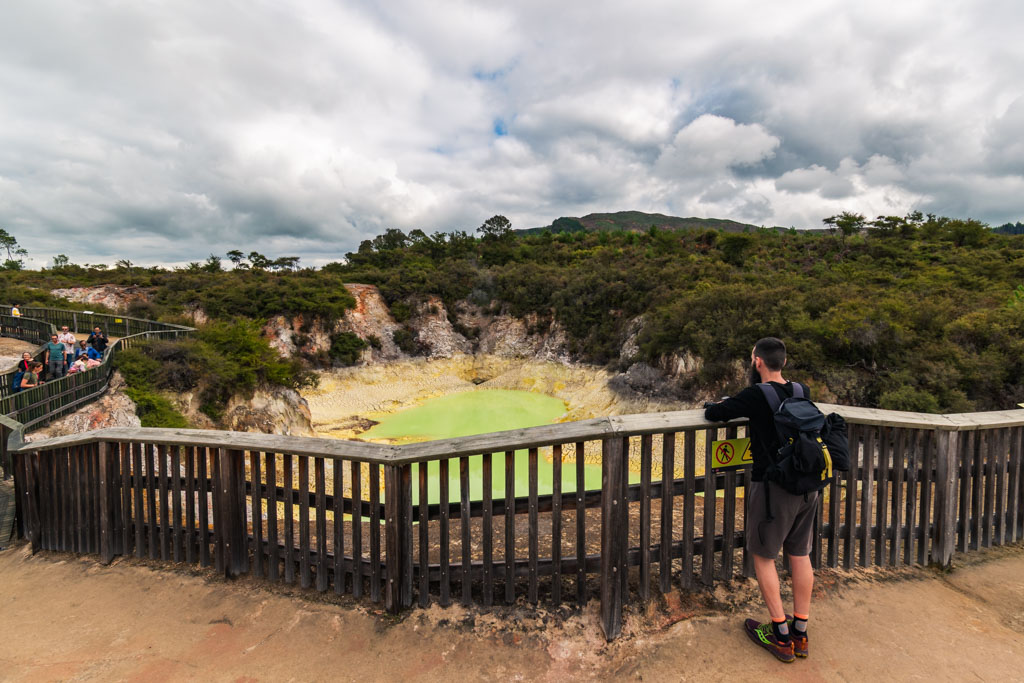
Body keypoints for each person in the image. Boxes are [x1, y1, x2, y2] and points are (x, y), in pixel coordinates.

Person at [704, 337, 814, 664]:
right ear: (784, 361)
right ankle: (800, 632)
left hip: (773, 489)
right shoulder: (802, 391)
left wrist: (719, 403)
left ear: (757, 362)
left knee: (764, 556)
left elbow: (715, 413)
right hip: (807, 485)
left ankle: (779, 635)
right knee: (800, 554)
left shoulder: (755, 395)